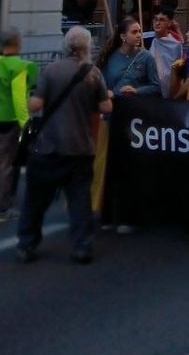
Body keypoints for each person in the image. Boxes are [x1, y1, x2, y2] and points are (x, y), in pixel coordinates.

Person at [17, 26, 112, 264]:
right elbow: (106, 108)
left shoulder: (50, 70)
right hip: (81, 147)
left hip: (49, 146)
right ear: (87, 47)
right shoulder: (93, 74)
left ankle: (27, 242)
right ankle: (82, 246)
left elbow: (35, 106)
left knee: (36, 200)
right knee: (80, 200)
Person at [0, 27, 37, 220]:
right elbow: (19, 98)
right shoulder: (20, 66)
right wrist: (25, 122)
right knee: (6, 164)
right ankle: (3, 207)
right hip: (9, 121)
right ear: (18, 43)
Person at [98, 17, 161, 98]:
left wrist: (137, 91)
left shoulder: (146, 57)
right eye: (134, 32)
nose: (139, 35)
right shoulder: (110, 56)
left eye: (139, 32)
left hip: (136, 105)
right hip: (113, 104)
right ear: (123, 36)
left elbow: (156, 87)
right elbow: (102, 83)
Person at [148, 8, 183, 93]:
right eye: (155, 19)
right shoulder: (145, 39)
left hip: (168, 90)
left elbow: (178, 70)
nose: (157, 23)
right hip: (149, 88)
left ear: (169, 23)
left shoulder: (176, 45)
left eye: (162, 20)